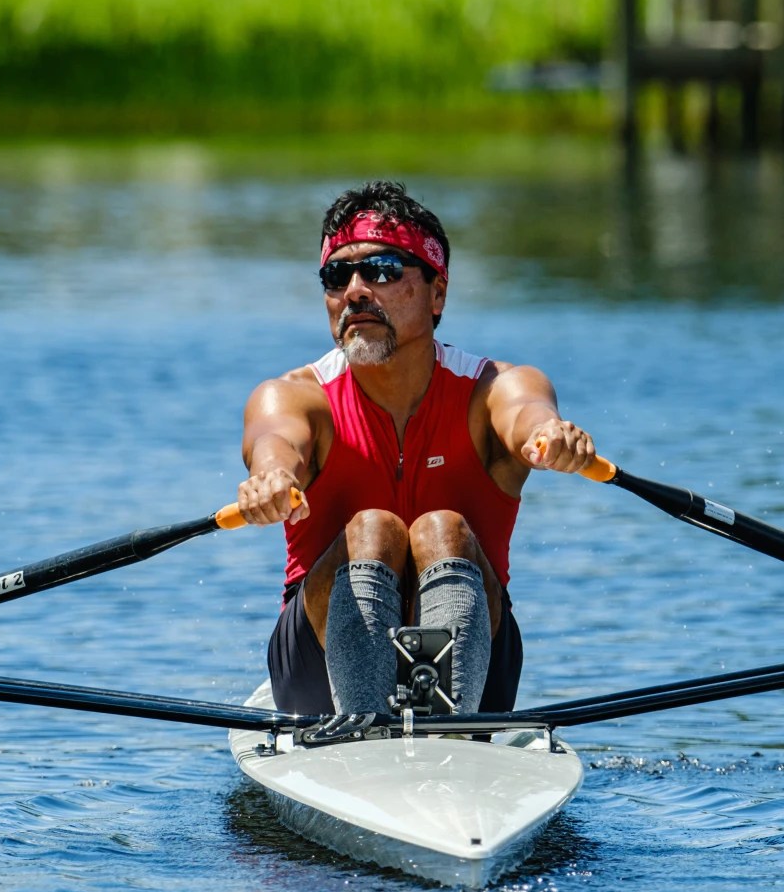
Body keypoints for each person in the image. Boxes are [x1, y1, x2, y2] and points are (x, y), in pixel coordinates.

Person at [236, 180, 596, 716]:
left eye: (381, 270)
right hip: (314, 670)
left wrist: (550, 435)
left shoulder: (492, 388)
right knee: (373, 527)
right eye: (338, 275)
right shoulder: (294, 395)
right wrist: (272, 477)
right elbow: (274, 441)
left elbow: (528, 414)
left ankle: (443, 716)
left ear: (438, 292)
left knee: (440, 528)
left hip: (481, 660)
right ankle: (363, 722)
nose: (355, 290)